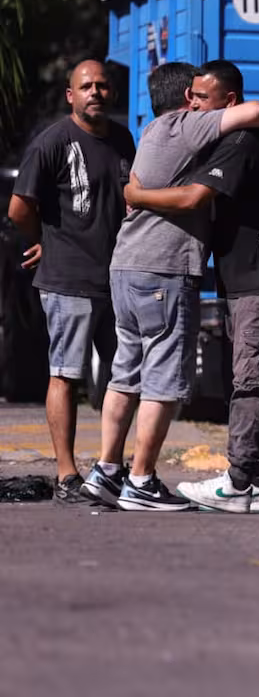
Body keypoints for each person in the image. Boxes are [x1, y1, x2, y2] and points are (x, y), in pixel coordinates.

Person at [79, 61, 259, 511]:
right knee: (163, 381)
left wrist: (136, 195)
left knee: (125, 374)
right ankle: (142, 481)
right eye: (198, 96)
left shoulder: (150, 131)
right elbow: (258, 111)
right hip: (164, 270)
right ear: (187, 98)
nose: (201, 103)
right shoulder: (187, 125)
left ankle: (107, 471)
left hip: (125, 266)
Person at [122, 60, 259, 513]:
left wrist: (135, 195)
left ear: (229, 101)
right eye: (190, 96)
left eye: (201, 98)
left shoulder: (240, 141)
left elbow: (194, 198)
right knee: (255, 378)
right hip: (248, 275)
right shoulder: (227, 136)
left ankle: (239, 483)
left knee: (251, 381)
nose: (192, 104)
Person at [6, 60, 136, 504]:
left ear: (112, 93)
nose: (95, 92)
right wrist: (43, 241)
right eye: (86, 86)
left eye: (102, 86)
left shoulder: (123, 140)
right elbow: (19, 208)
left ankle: (110, 469)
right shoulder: (53, 141)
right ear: (71, 95)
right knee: (66, 374)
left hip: (117, 279)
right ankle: (66, 475)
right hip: (68, 280)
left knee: (124, 375)